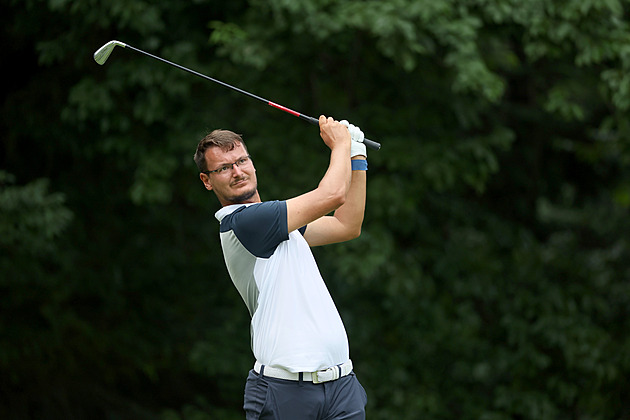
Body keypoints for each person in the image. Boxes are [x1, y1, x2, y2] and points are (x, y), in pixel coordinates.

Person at [193, 115, 369, 419]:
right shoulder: (244, 223)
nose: (237, 172)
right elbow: (332, 195)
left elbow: (346, 224)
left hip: (342, 387)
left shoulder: (282, 225)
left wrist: (356, 155)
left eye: (241, 160)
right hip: (284, 393)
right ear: (207, 180)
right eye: (223, 168)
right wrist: (340, 143)